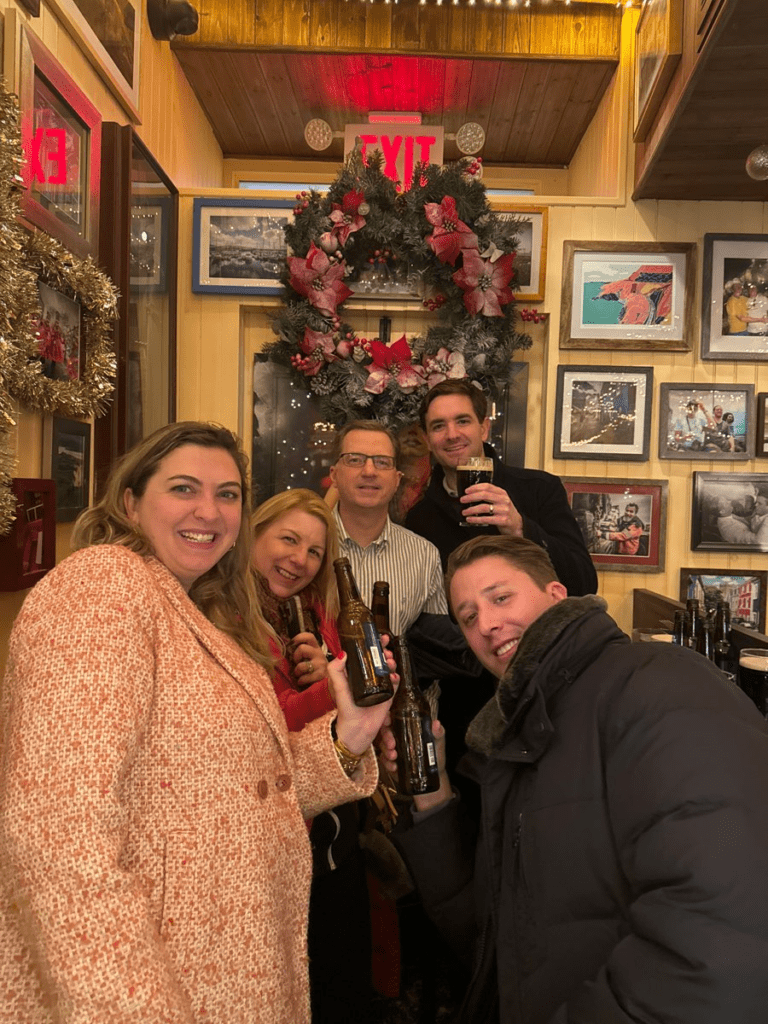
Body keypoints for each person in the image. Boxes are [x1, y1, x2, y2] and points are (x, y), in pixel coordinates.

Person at [0, 422, 391, 1024]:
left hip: (221, 962)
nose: (209, 511)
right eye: (184, 488)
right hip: (160, 974)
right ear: (131, 500)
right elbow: (59, 835)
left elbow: (239, 794)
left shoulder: (196, 611)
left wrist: (351, 733)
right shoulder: (103, 585)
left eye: (228, 494)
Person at [389, 535, 768, 1024]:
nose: (486, 624)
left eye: (501, 597)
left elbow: (726, 936)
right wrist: (432, 786)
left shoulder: (657, 682)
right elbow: (490, 935)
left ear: (556, 594)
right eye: (467, 617)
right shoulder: (516, 735)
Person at [251, 488, 374, 1022]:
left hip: (329, 819)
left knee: (338, 969)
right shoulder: (225, 614)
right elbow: (263, 722)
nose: (298, 559)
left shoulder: (310, 609)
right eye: (288, 539)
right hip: (276, 824)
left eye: (314, 551)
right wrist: (337, 686)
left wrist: (336, 670)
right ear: (253, 535)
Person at [404, 378, 597, 596]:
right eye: (438, 426)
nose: (452, 434)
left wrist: (521, 528)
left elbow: (584, 585)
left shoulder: (540, 489)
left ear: (484, 428)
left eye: (462, 421)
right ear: (427, 440)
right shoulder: (419, 518)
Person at [330, 419, 449, 635]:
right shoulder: (307, 547)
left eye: (382, 462)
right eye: (354, 460)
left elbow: (436, 649)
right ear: (334, 475)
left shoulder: (424, 556)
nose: (369, 471)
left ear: (396, 480)